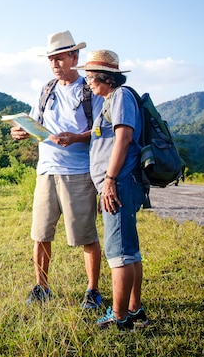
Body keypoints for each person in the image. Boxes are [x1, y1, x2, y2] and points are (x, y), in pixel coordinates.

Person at [11, 30, 104, 309]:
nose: (54, 64)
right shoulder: (46, 89)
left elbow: (102, 129)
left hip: (78, 171)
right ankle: (41, 286)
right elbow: (35, 123)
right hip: (46, 170)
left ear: (74, 57)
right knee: (40, 233)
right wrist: (21, 131)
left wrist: (76, 137)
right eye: (51, 59)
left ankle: (93, 291)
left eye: (60, 58)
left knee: (85, 235)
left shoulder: (90, 91)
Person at [71, 50, 149, 330]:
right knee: (130, 250)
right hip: (119, 182)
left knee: (118, 252)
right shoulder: (111, 100)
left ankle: (119, 316)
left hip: (119, 183)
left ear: (106, 77)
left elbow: (124, 138)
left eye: (91, 77)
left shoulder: (121, 97)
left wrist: (110, 180)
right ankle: (134, 308)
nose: (88, 82)